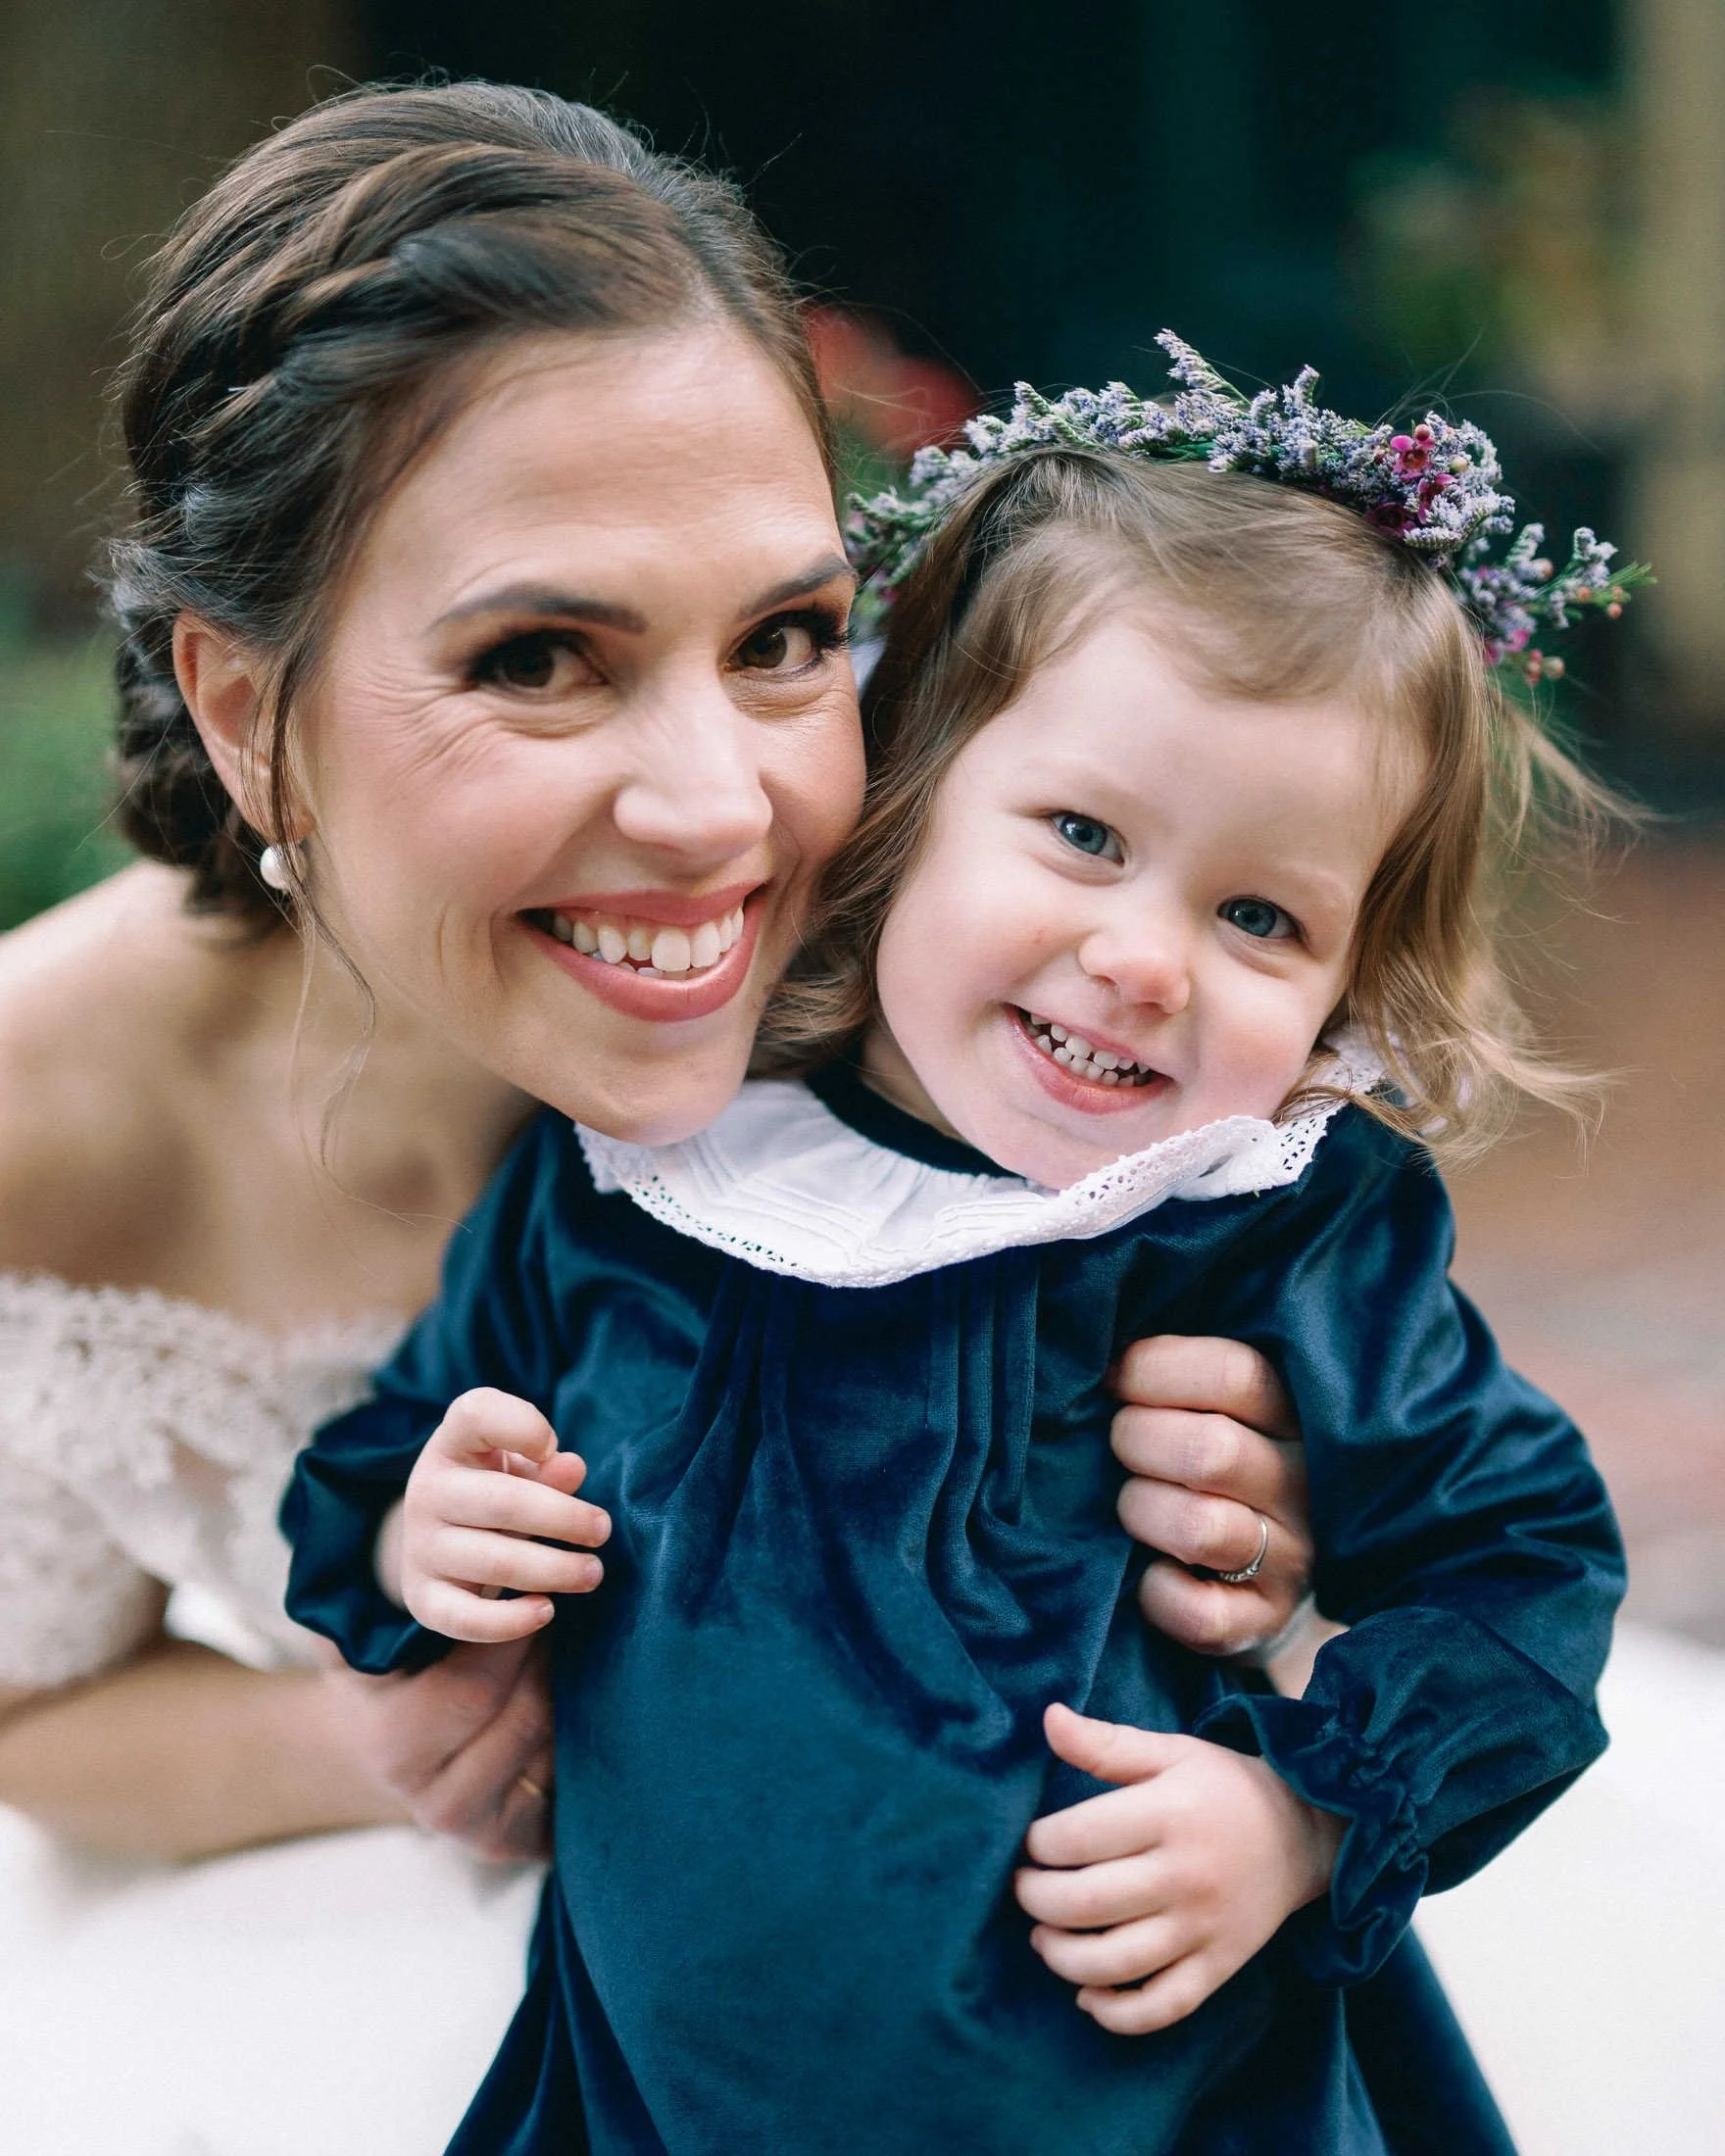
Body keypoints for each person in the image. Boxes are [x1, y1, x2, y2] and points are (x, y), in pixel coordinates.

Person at [0, 86, 1311, 2156]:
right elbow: (26, 1714)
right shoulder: (37, 1119)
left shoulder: (964, 979)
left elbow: (1345, 1370)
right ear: (249, 712)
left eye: (786, 639)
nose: (720, 813)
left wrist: (1254, 1495)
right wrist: (375, 1732)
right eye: (541, 658)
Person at [283, 346, 1630, 2152]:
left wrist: (1301, 1815)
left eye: (1260, 915)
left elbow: (1526, 1562)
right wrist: (421, 1531)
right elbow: (392, 1449)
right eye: (1083, 835)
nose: (1144, 960)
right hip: (657, 2095)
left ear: (1343, 982)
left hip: (1156, 2103)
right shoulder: (641, 1175)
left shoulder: (1267, 1234)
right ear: (909, 795)